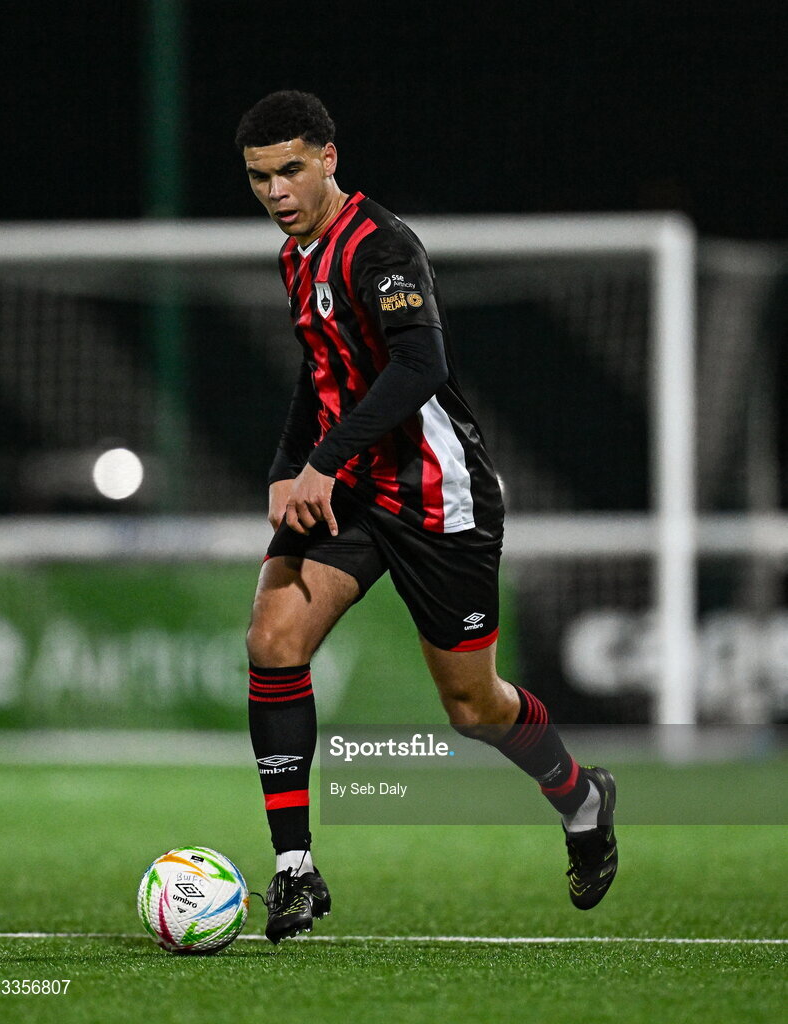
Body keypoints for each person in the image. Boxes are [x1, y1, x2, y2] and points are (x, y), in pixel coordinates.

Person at [235, 90, 618, 944]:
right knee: (272, 641)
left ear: (329, 159)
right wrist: (286, 468)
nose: (276, 192)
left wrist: (321, 461)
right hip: (351, 493)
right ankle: (294, 868)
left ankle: (580, 793)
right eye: (261, 177)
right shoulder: (296, 255)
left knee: (472, 708)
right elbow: (319, 366)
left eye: (291, 170)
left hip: (438, 497)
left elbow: (420, 364)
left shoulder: (381, 248)